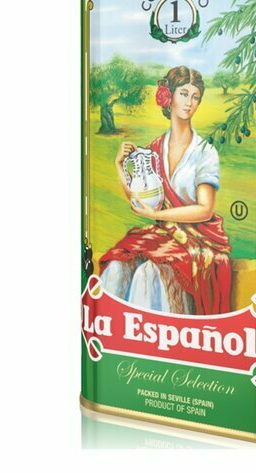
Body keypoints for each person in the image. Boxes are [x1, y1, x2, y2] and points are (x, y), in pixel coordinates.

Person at [98, 66, 232, 315]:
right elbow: (140, 201)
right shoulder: (155, 148)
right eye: (184, 94)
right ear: (169, 96)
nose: (189, 103)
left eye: (195, 97)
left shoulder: (204, 151)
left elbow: (205, 209)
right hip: (165, 235)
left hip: (198, 238)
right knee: (117, 265)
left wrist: (157, 216)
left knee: (148, 274)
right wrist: (120, 166)